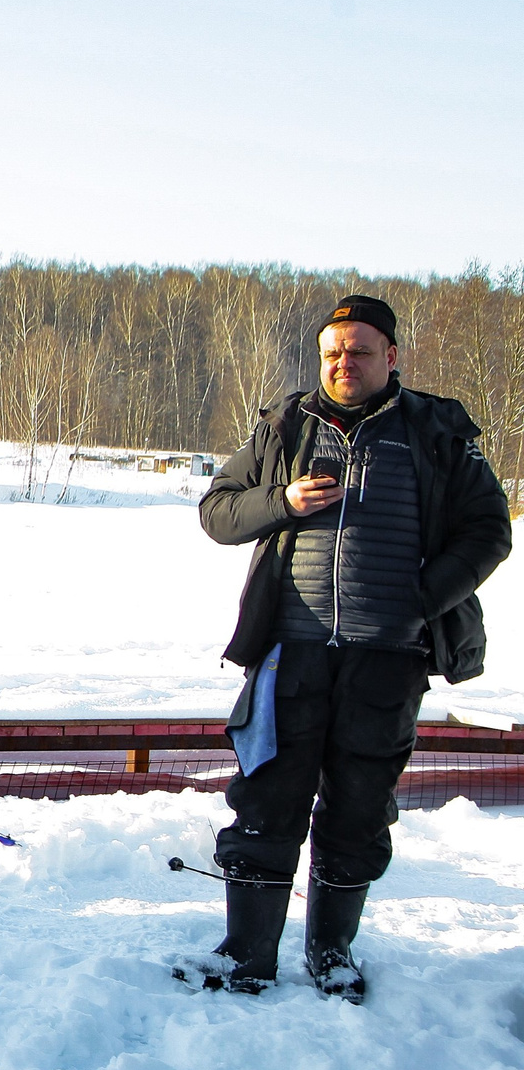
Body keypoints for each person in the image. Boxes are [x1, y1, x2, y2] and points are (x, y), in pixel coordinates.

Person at [191, 294, 509, 1001]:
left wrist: (424, 597)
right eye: (333, 351)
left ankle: (332, 953)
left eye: (360, 351)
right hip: (290, 657)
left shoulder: (436, 429)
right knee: (267, 802)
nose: (344, 363)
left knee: (360, 809)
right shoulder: (284, 425)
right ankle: (246, 954)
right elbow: (218, 512)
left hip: (387, 660)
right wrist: (283, 502)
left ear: (390, 357)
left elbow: (489, 529)